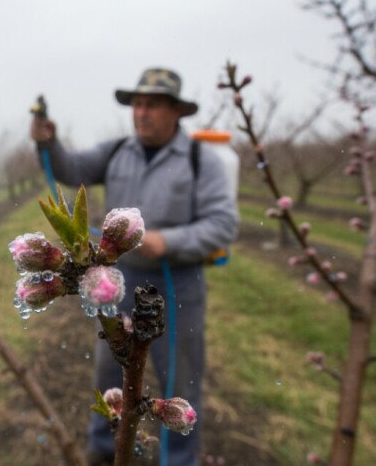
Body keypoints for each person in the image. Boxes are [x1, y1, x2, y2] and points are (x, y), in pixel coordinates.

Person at [30, 67, 238, 466]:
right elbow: (69, 170)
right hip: (121, 283)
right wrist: (50, 142)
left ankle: (178, 458)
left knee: (181, 375)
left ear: (176, 111)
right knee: (112, 367)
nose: (142, 113)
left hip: (179, 283)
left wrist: (169, 241)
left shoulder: (200, 160)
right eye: (137, 104)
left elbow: (223, 223)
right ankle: (106, 448)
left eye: (153, 105)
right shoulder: (116, 151)